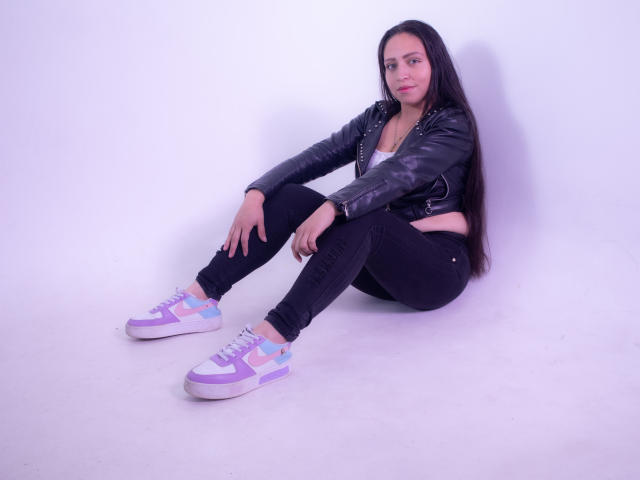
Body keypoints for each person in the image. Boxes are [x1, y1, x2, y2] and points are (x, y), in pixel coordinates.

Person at [126, 19, 488, 400]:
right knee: (290, 196)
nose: (401, 74)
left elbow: (397, 175)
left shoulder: (452, 124)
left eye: (413, 61)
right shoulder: (378, 117)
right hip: (377, 263)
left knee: (367, 218)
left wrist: (334, 206)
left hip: (435, 271)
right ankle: (200, 298)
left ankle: (271, 343)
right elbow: (317, 156)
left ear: (435, 62)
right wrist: (257, 192)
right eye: (391, 65)